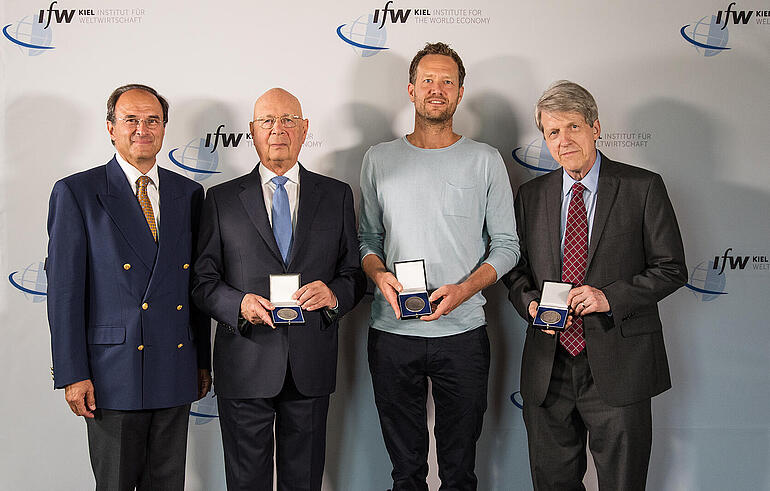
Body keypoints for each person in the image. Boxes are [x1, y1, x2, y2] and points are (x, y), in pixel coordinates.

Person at [504, 80, 687, 490]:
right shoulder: (531, 196)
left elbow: (672, 268)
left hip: (620, 365)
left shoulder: (643, 187)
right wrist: (530, 304)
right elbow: (515, 271)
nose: (563, 140)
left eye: (573, 127)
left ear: (595, 127)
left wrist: (609, 297)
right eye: (553, 132)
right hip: (547, 367)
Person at [358, 42, 520, 490]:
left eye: (447, 81)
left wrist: (464, 290)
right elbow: (368, 240)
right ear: (410, 90)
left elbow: (507, 246)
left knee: (459, 470)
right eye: (427, 80)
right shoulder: (378, 158)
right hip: (392, 334)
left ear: (460, 92)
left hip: (463, 335)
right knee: (405, 472)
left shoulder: (485, 160)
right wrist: (378, 274)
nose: (436, 89)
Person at [192, 88, 366, 491]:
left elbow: (355, 274)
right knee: (246, 482)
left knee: (303, 482)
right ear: (252, 132)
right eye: (267, 121)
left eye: (288, 120)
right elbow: (202, 283)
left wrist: (334, 294)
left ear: (304, 130)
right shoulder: (220, 199)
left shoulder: (337, 195)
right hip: (245, 361)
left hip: (310, 365)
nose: (278, 130)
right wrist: (239, 304)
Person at [46, 83, 211, 490]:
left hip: (174, 367)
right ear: (110, 127)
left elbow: (193, 288)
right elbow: (64, 293)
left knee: (168, 484)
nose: (143, 128)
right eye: (131, 120)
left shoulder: (188, 193)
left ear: (164, 128)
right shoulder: (77, 192)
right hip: (109, 374)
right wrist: (72, 373)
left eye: (152, 120)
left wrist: (201, 361)